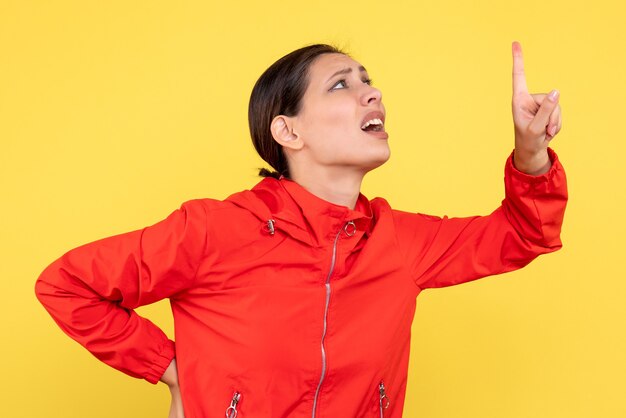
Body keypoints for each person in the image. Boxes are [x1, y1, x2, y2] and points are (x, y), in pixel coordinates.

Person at [35, 41, 567, 418]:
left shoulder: (401, 242)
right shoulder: (213, 230)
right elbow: (66, 285)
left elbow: (524, 234)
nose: (372, 93)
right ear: (288, 131)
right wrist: (173, 368)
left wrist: (531, 152)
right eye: (342, 84)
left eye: (368, 81)